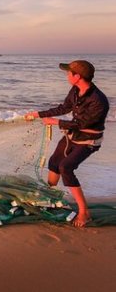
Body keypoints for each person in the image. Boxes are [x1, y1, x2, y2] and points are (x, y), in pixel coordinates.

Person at [25, 60, 109, 228]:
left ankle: (84, 212)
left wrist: (56, 123)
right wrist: (38, 114)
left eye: (68, 73)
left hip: (88, 140)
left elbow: (82, 124)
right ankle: (49, 197)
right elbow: (64, 108)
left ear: (77, 76)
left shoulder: (98, 101)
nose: (67, 75)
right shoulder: (76, 90)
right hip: (73, 136)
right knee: (54, 163)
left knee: (66, 167)